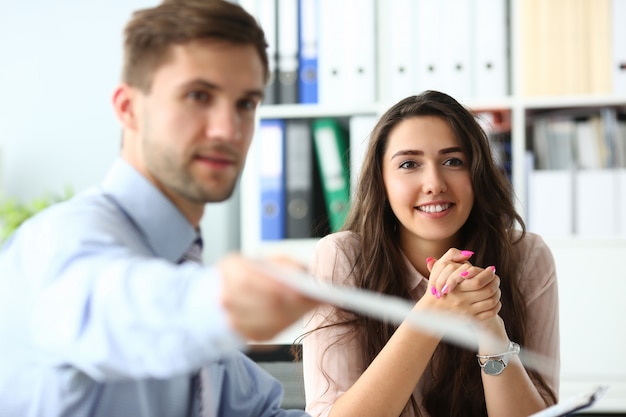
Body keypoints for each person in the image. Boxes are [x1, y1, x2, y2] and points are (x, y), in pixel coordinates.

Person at [0, 1, 319, 416]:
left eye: (245, 103)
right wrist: (221, 302)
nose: (229, 129)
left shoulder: (182, 270)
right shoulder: (61, 240)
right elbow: (112, 306)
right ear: (128, 107)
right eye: (198, 95)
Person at [301, 90, 560, 417]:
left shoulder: (526, 257)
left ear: (477, 174)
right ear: (381, 181)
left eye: (453, 161)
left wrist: (489, 328)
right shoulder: (341, 257)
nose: (434, 183)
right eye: (409, 164)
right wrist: (432, 312)